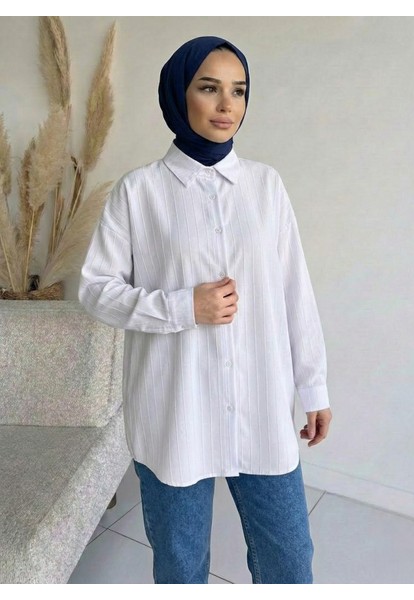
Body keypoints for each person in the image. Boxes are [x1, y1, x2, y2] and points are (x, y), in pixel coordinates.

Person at [79, 35, 332, 584]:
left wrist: (313, 387)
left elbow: (295, 292)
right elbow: (95, 290)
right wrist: (182, 307)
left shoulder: (265, 187)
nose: (226, 105)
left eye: (238, 91)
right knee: (180, 565)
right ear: (178, 94)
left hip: (262, 406)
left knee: (290, 558)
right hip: (176, 413)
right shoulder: (139, 192)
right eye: (209, 88)